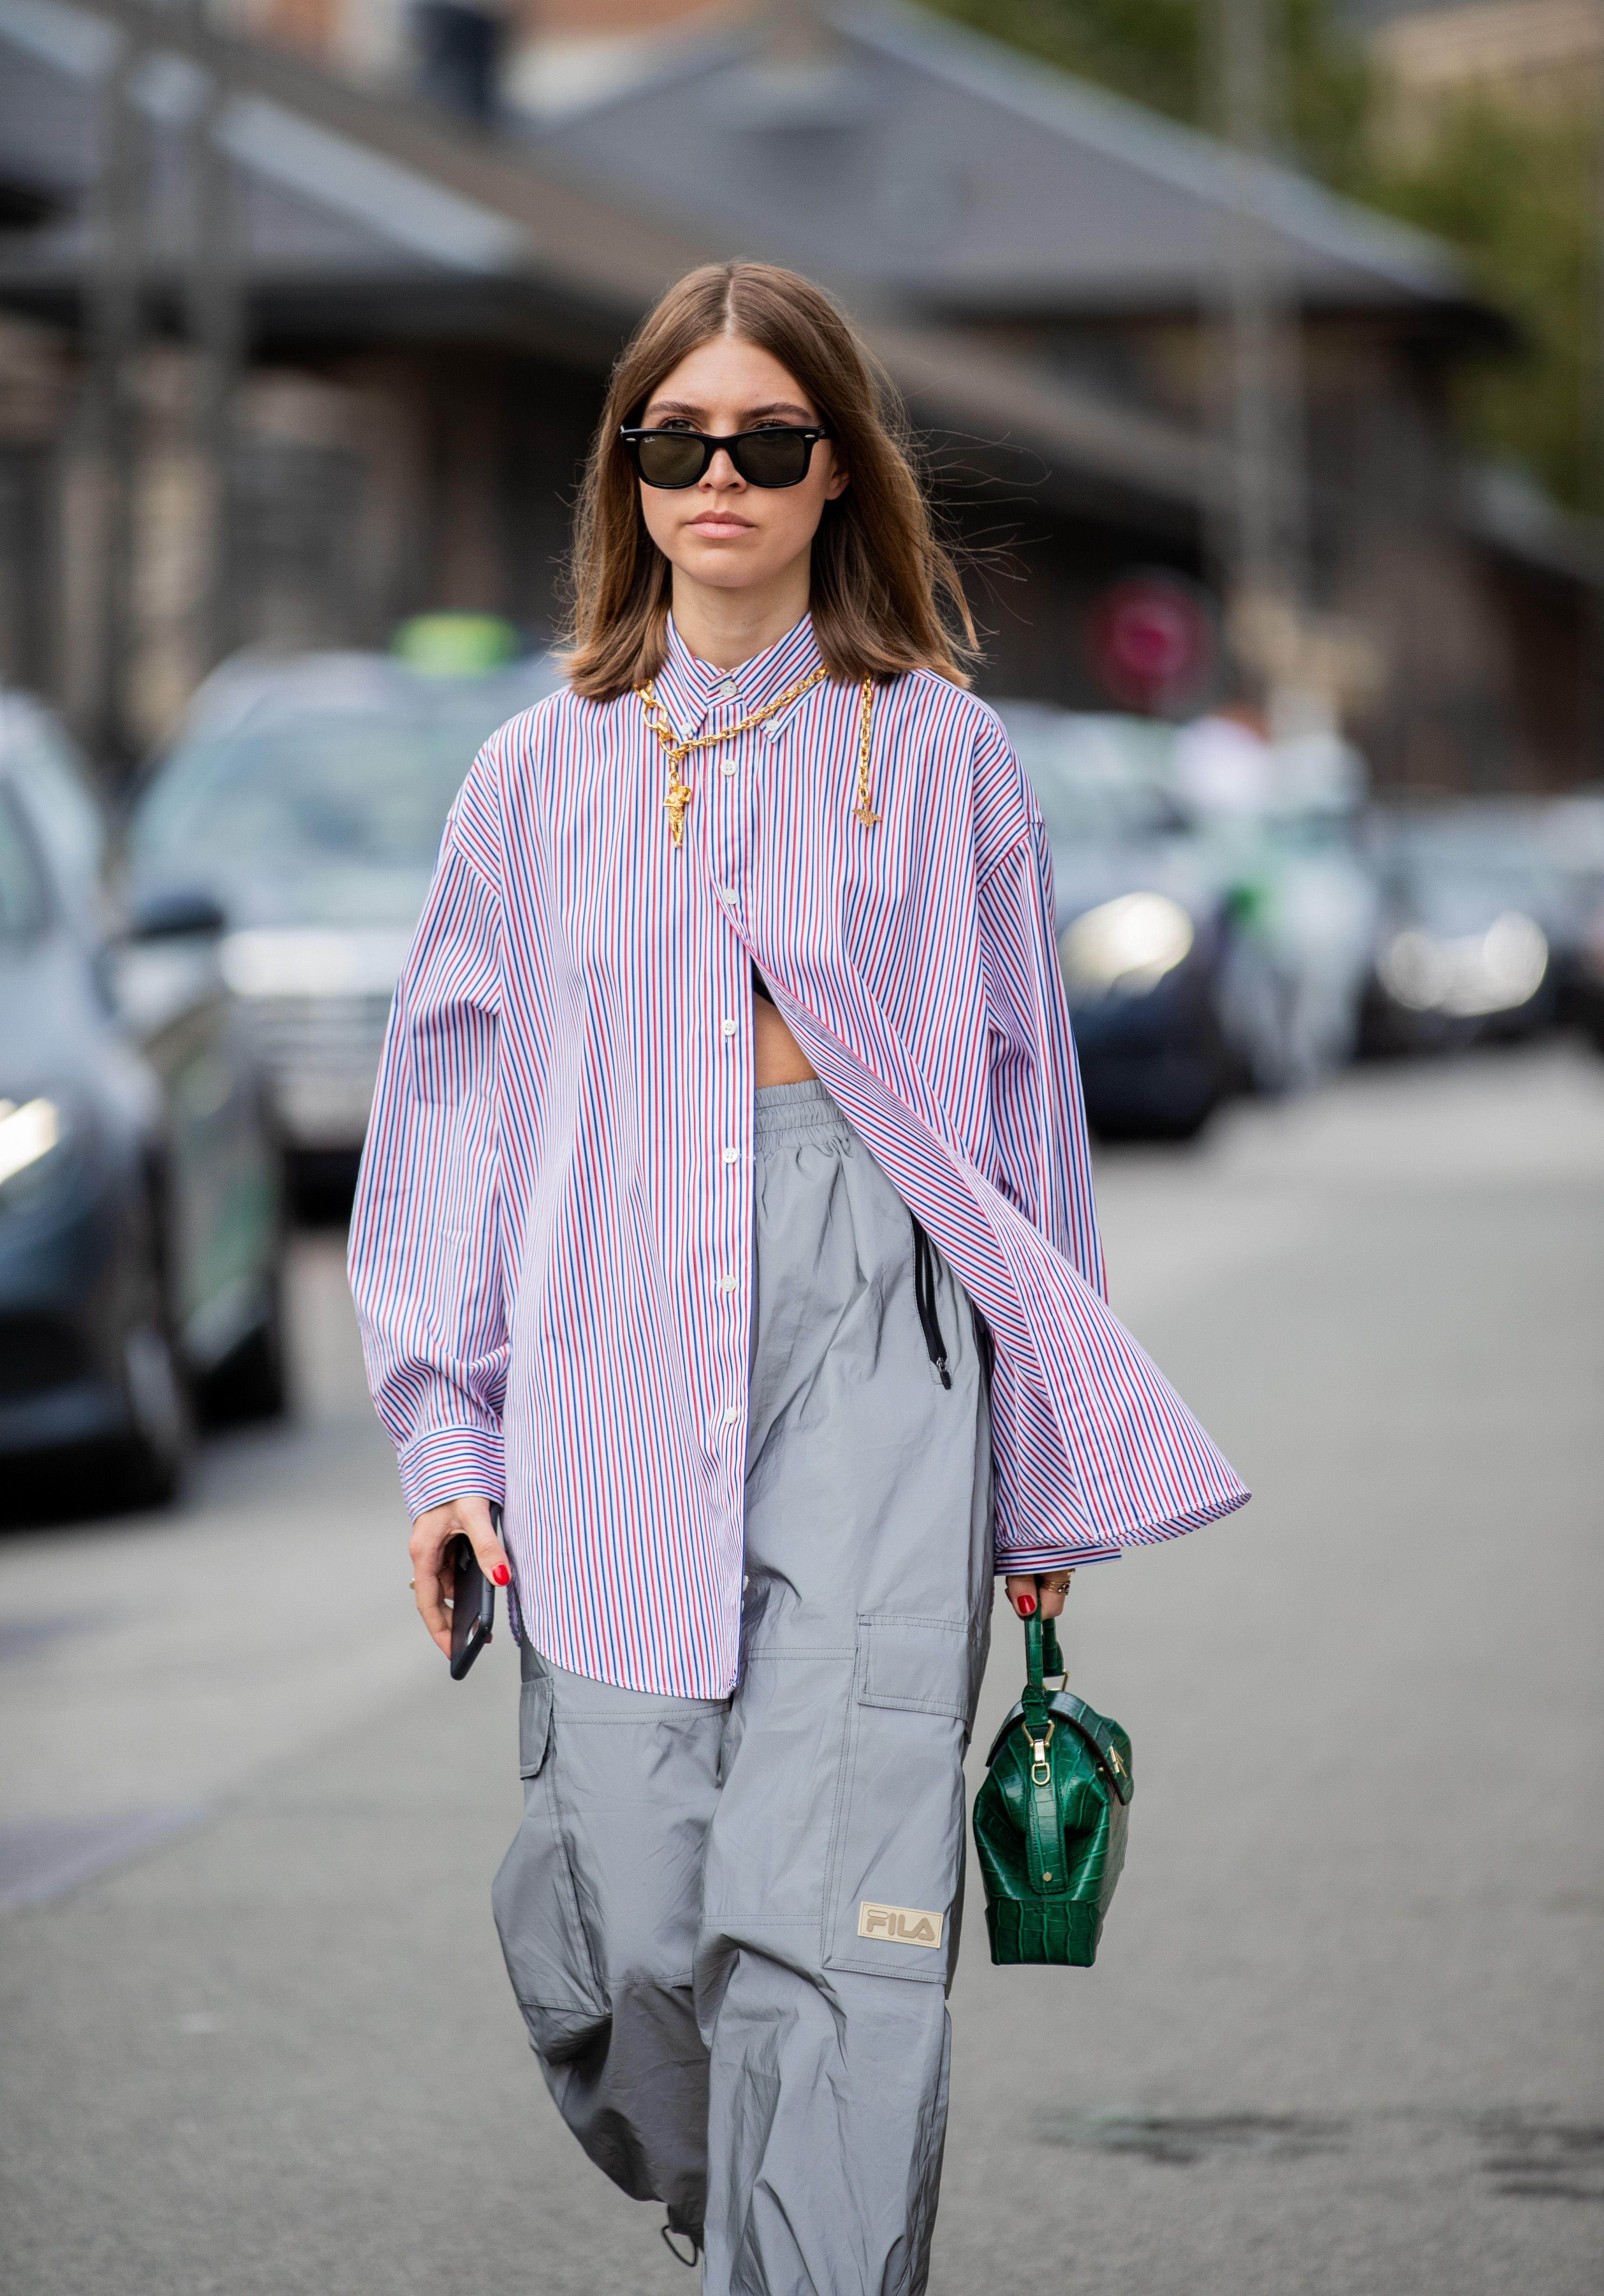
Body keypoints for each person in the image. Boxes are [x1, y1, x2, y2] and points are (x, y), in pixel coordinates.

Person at [348, 261, 1246, 2296]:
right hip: (600, 1353)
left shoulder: (942, 758)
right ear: (632, 474)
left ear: (836, 470)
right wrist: (443, 1441)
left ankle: (808, 2258)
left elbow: (1028, 1131)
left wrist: (1044, 1477)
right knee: (627, 1920)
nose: (723, 478)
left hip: (886, 1348)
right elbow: (446, 1131)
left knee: (838, 1926)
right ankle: (729, 2185)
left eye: (768, 441)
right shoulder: (531, 777)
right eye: (682, 444)